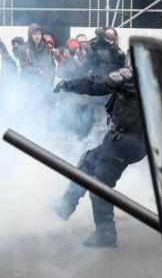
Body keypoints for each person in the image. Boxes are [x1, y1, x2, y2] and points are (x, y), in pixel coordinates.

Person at [52, 66, 146, 247]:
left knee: (100, 185)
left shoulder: (138, 72)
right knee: (88, 162)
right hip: (132, 139)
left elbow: (98, 84)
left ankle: (105, 234)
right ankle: (66, 204)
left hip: (125, 139)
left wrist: (67, 84)